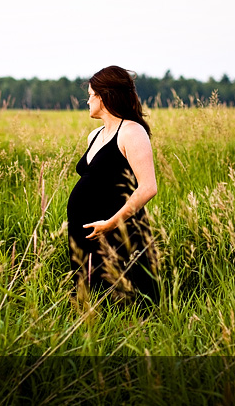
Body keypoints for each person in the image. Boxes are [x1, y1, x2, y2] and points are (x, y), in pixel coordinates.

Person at [66, 65, 160, 305]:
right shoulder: (95, 135)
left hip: (119, 233)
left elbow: (148, 187)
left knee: (124, 301)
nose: (87, 101)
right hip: (88, 235)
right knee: (91, 301)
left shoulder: (131, 131)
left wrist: (110, 224)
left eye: (90, 95)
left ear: (104, 96)